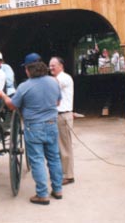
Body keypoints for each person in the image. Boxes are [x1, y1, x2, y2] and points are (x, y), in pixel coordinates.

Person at [0, 53, 63, 205]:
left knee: (37, 160)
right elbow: (58, 102)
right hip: (52, 123)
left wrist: (3, 97)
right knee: (54, 158)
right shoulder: (54, 82)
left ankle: (42, 194)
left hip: (34, 126)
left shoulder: (25, 86)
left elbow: (13, 105)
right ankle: (57, 190)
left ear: (28, 70)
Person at [49, 56, 75, 186]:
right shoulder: (57, 78)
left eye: (54, 65)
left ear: (61, 66)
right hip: (57, 116)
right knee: (59, 147)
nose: (51, 67)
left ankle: (68, 175)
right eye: (50, 65)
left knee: (65, 147)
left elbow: (52, 84)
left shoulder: (64, 78)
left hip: (63, 116)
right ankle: (63, 173)